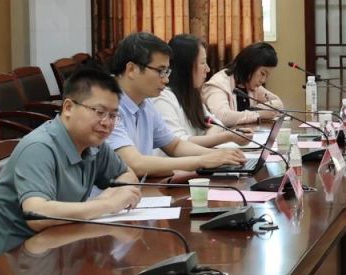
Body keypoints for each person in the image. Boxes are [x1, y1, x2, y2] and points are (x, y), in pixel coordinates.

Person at [0, 66, 141, 259]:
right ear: (68, 107)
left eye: (113, 115)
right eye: (99, 112)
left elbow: (128, 176)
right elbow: (37, 215)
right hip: (12, 261)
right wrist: (107, 204)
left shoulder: (94, 143)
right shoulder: (39, 148)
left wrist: (104, 201)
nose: (107, 123)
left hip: (58, 248)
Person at [107, 33, 243, 178]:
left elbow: (174, 145)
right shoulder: (105, 106)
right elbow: (135, 164)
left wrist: (218, 155)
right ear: (131, 69)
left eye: (167, 71)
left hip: (139, 187)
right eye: (160, 71)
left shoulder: (146, 103)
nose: (166, 80)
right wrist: (202, 161)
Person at [152, 34, 251, 150]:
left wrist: (209, 137)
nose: (207, 69)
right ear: (186, 66)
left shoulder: (191, 95)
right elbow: (178, 144)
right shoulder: (163, 98)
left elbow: (217, 124)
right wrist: (227, 137)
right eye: (203, 63)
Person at [203, 41, 283, 130]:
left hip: (244, 136)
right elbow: (222, 117)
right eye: (262, 73)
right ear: (249, 65)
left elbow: (278, 103)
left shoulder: (248, 84)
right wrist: (258, 114)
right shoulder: (219, 83)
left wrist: (256, 109)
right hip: (220, 137)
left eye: (266, 76)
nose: (263, 80)